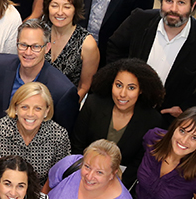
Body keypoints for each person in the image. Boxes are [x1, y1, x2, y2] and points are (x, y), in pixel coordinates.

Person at [103, 0, 196, 119]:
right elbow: (115, 46)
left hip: (163, 118)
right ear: (161, 0)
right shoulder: (139, 19)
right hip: (123, 105)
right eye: (169, 1)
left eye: (181, 3)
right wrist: (121, 83)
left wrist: (185, 107)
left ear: (193, 5)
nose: (173, 9)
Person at [71, 58, 166, 189]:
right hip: (83, 174)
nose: (122, 94)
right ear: (111, 84)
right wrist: (84, 175)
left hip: (120, 182)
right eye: (119, 85)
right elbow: (77, 144)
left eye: (131, 88)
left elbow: (139, 162)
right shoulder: (93, 104)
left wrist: (119, 186)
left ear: (141, 90)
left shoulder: (152, 120)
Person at [0, 18, 79, 131]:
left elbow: (62, 135)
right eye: (23, 45)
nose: (28, 52)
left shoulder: (62, 91)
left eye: (36, 47)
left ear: (47, 48)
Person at [0, 82, 71, 180]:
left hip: (40, 192)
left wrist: (42, 195)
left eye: (38, 108)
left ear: (46, 111)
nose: (30, 114)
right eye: (24, 107)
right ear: (15, 108)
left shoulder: (58, 136)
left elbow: (58, 176)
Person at [41, 0, 98, 98]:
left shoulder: (87, 44)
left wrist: (67, 108)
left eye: (67, 7)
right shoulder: (39, 31)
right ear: (47, 7)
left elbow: (84, 86)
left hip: (64, 103)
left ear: (75, 9)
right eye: (54, 5)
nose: (60, 12)